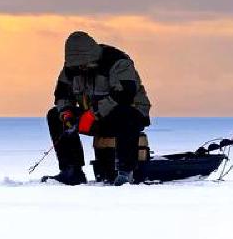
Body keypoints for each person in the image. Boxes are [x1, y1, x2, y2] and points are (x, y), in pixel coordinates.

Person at [42, 31, 151, 186]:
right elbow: (61, 94)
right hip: (95, 117)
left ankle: (125, 172)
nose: (81, 68)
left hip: (129, 114)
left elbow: (124, 96)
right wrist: (66, 112)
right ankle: (72, 170)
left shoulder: (118, 62)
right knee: (54, 115)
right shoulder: (70, 69)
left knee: (126, 114)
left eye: (84, 65)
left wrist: (93, 114)